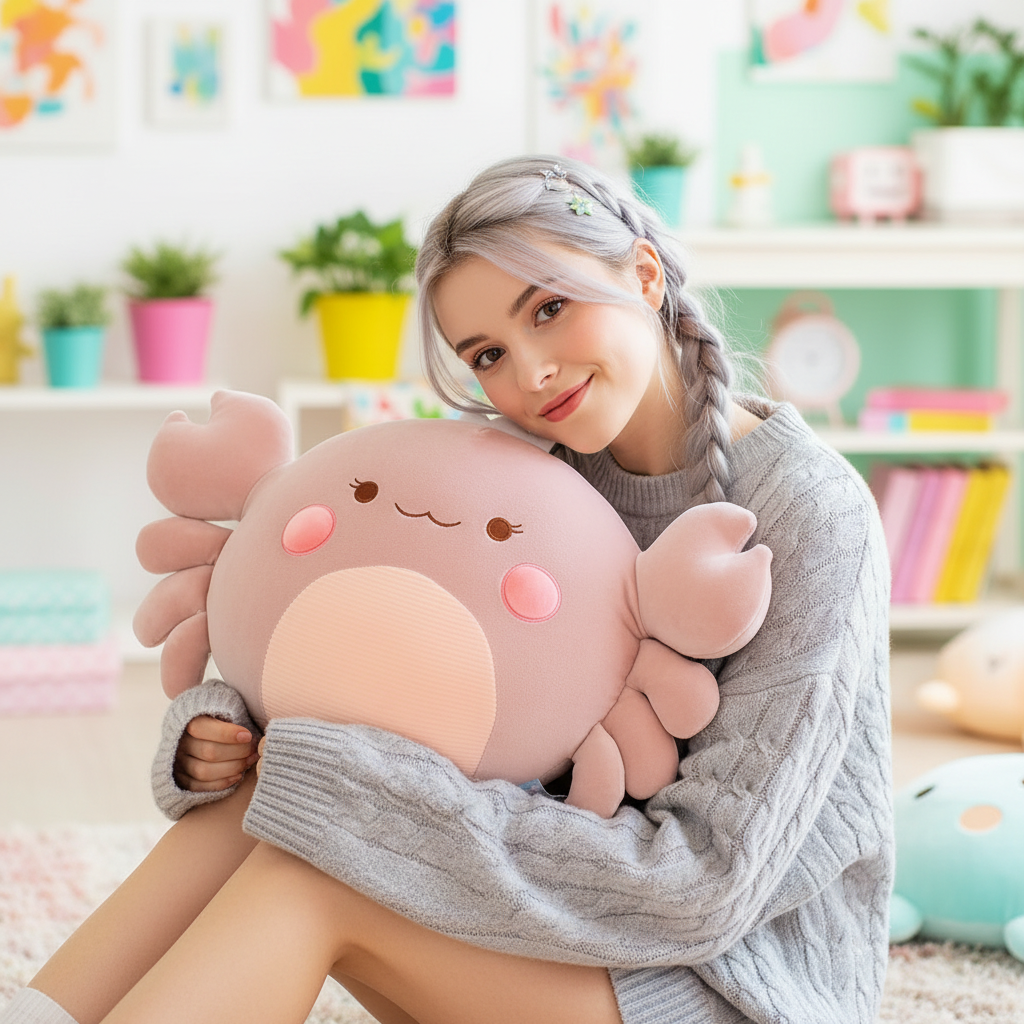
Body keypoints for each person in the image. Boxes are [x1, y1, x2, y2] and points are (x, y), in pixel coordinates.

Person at [2, 156, 893, 1024]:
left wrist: (352, 789)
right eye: (489, 354)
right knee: (284, 802)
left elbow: (704, 886)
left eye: (551, 308)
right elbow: (380, 692)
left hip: (722, 980)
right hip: (556, 927)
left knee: (311, 872)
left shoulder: (812, 514)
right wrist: (220, 729)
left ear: (646, 274)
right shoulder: (537, 478)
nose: (531, 373)